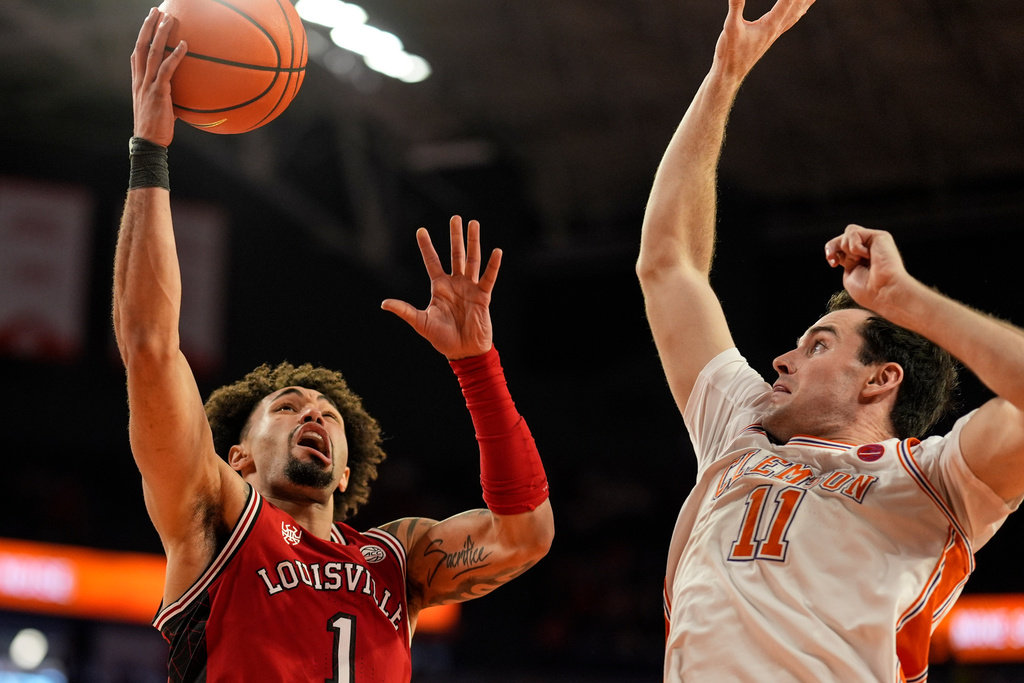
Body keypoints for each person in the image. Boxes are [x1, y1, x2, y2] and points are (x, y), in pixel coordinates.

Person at [114, 9, 553, 681]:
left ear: (346, 471)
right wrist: (150, 150)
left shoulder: (395, 559)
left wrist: (476, 366)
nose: (315, 414)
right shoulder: (216, 516)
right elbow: (150, 345)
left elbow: (525, 535)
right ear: (238, 456)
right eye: (288, 407)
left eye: (327, 415)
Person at [637, 0, 1024, 679]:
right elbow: (668, 265)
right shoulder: (742, 427)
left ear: (880, 378)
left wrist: (909, 303)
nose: (782, 358)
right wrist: (724, 77)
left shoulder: (936, 479)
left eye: (818, 345)